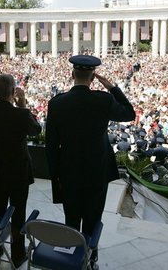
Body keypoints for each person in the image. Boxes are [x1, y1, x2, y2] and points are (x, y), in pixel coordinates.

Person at [45, 55, 135, 268]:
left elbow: (51, 147)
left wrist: (55, 176)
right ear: (93, 77)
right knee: (93, 219)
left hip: (69, 172)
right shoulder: (103, 100)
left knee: (72, 219)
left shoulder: (56, 103)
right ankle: (90, 258)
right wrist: (112, 88)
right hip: (97, 172)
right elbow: (129, 114)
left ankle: (71, 258)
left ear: (72, 74)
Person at [0, 74, 42, 268]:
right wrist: (23, 105)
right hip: (18, 172)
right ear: (13, 92)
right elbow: (36, 130)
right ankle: (17, 254)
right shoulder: (21, 114)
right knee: (18, 213)